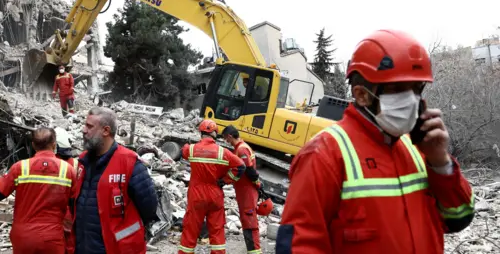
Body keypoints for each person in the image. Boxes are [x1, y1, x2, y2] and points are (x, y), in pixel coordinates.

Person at [276, 30, 475, 254]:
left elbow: (459, 218)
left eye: (417, 88)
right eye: (398, 89)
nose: (411, 100)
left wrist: (441, 162)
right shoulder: (323, 155)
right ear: (362, 94)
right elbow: (297, 246)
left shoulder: (417, 149)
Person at [73, 107, 158, 254]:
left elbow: (149, 207)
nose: (83, 130)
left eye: (89, 126)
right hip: (84, 246)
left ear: (106, 131)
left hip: (116, 248)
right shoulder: (83, 161)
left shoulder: (130, 164)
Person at [178, 119, 246, 254]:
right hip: (215, 194)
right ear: (215, 133)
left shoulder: (191, 149)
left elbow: (182, 152)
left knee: (190, 229)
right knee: (217, 231)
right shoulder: (223, 152)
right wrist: (226, 180)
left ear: (201, 133)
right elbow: (241, 167)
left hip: (196, 195)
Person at [221, 125, 262, 254]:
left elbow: (249, 170)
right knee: (247, 221)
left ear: (229, 136)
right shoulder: (240, 148)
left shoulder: (242, 150)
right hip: (244, 191)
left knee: (250, 222)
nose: (226, 141)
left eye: (225, 139)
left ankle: (255, 251)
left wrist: (257, 184)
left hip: (247, 191)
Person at [55, 132, 80, 254]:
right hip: (71, 209)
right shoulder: (76, 163)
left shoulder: (52, 162)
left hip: (54, 209)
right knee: (70, 240)